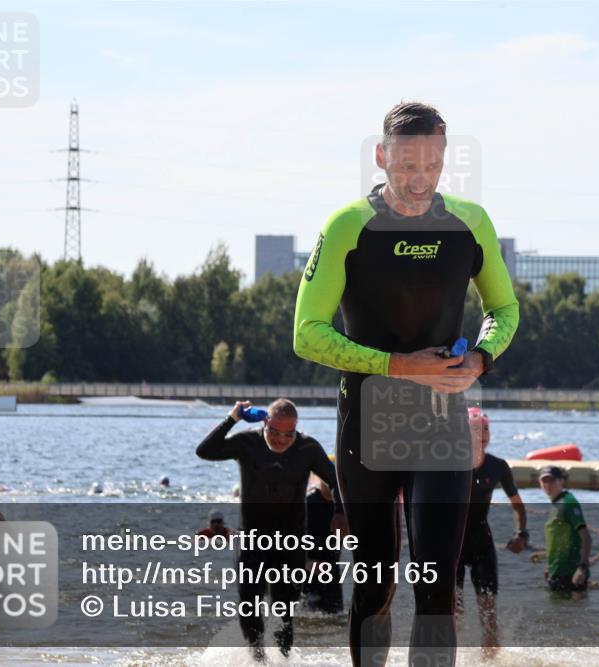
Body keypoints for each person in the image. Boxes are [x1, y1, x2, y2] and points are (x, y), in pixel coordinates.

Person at [293, 101, 519, 667]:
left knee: (436, 590)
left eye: (433, 166)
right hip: (365, 425)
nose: (420, 180)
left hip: (441, 425)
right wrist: (400, 365)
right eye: (407, 166)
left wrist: (483, 358)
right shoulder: (348, 225)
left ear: (445, 161)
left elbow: (505, 309)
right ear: (381, 156)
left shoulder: (470, 223)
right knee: (374, 585)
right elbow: (306, 333)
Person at [195, 398, 345, 660]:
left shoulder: (307, 448)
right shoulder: (247, 443)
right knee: (249, 607)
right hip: (253, 541)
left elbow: (336, 481)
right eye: (275, 431)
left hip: (291, 543)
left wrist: (340, 513)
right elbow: (204, 450)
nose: (281, 439)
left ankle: (283, 661)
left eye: (288, 434)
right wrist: (232, 419)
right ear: (265, 422)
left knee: (284, 612)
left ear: (296, 429)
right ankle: (257, 659)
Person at [456, 407, 527, 658]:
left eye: (486, 429)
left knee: (488, 609)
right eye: (476, 429)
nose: (482, 434)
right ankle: (455, 659)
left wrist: (521, 533)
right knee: (455, 610)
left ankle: (490, 660)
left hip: (481, 544)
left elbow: (517, 503)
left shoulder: (497, 466)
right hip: (453, 544)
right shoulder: (450, 463)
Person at [531, 466, 591, 596]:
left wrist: (582, 568)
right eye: (544, 481)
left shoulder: (568, 503)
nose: (547, 484)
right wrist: (547, 557)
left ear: (561, 481)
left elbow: (586, 537)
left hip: (570, 574)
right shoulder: (556, 504)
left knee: (569, 613)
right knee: (558, 613)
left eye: (551, 480)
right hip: (557, 571)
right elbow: (563, 540)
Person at [302, 473, 344, 614]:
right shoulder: (308, 504)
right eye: (327, 482)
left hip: (331, 569)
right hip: (307, 570)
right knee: (305, 618)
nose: (331, 486)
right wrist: (306, 561)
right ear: (319, 482)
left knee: (336, 618)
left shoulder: (341, 508)